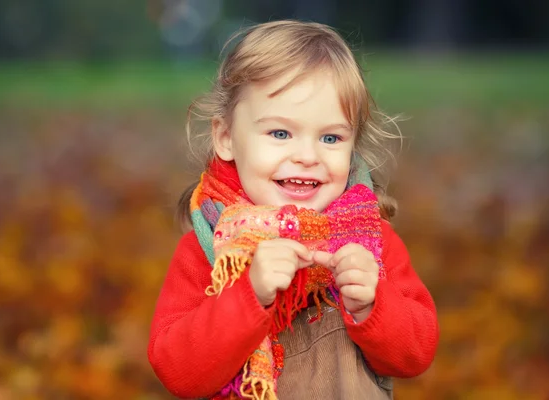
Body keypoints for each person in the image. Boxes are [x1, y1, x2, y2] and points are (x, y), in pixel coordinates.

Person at [148, 20, 439, 400]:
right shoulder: (210, 251)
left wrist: (373, 304)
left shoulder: (370, 242)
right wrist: (249, 292)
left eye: (331, 137)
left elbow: (415, 355)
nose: (306, 156)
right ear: (225, 138)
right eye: (280, 133)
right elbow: (178, 371)